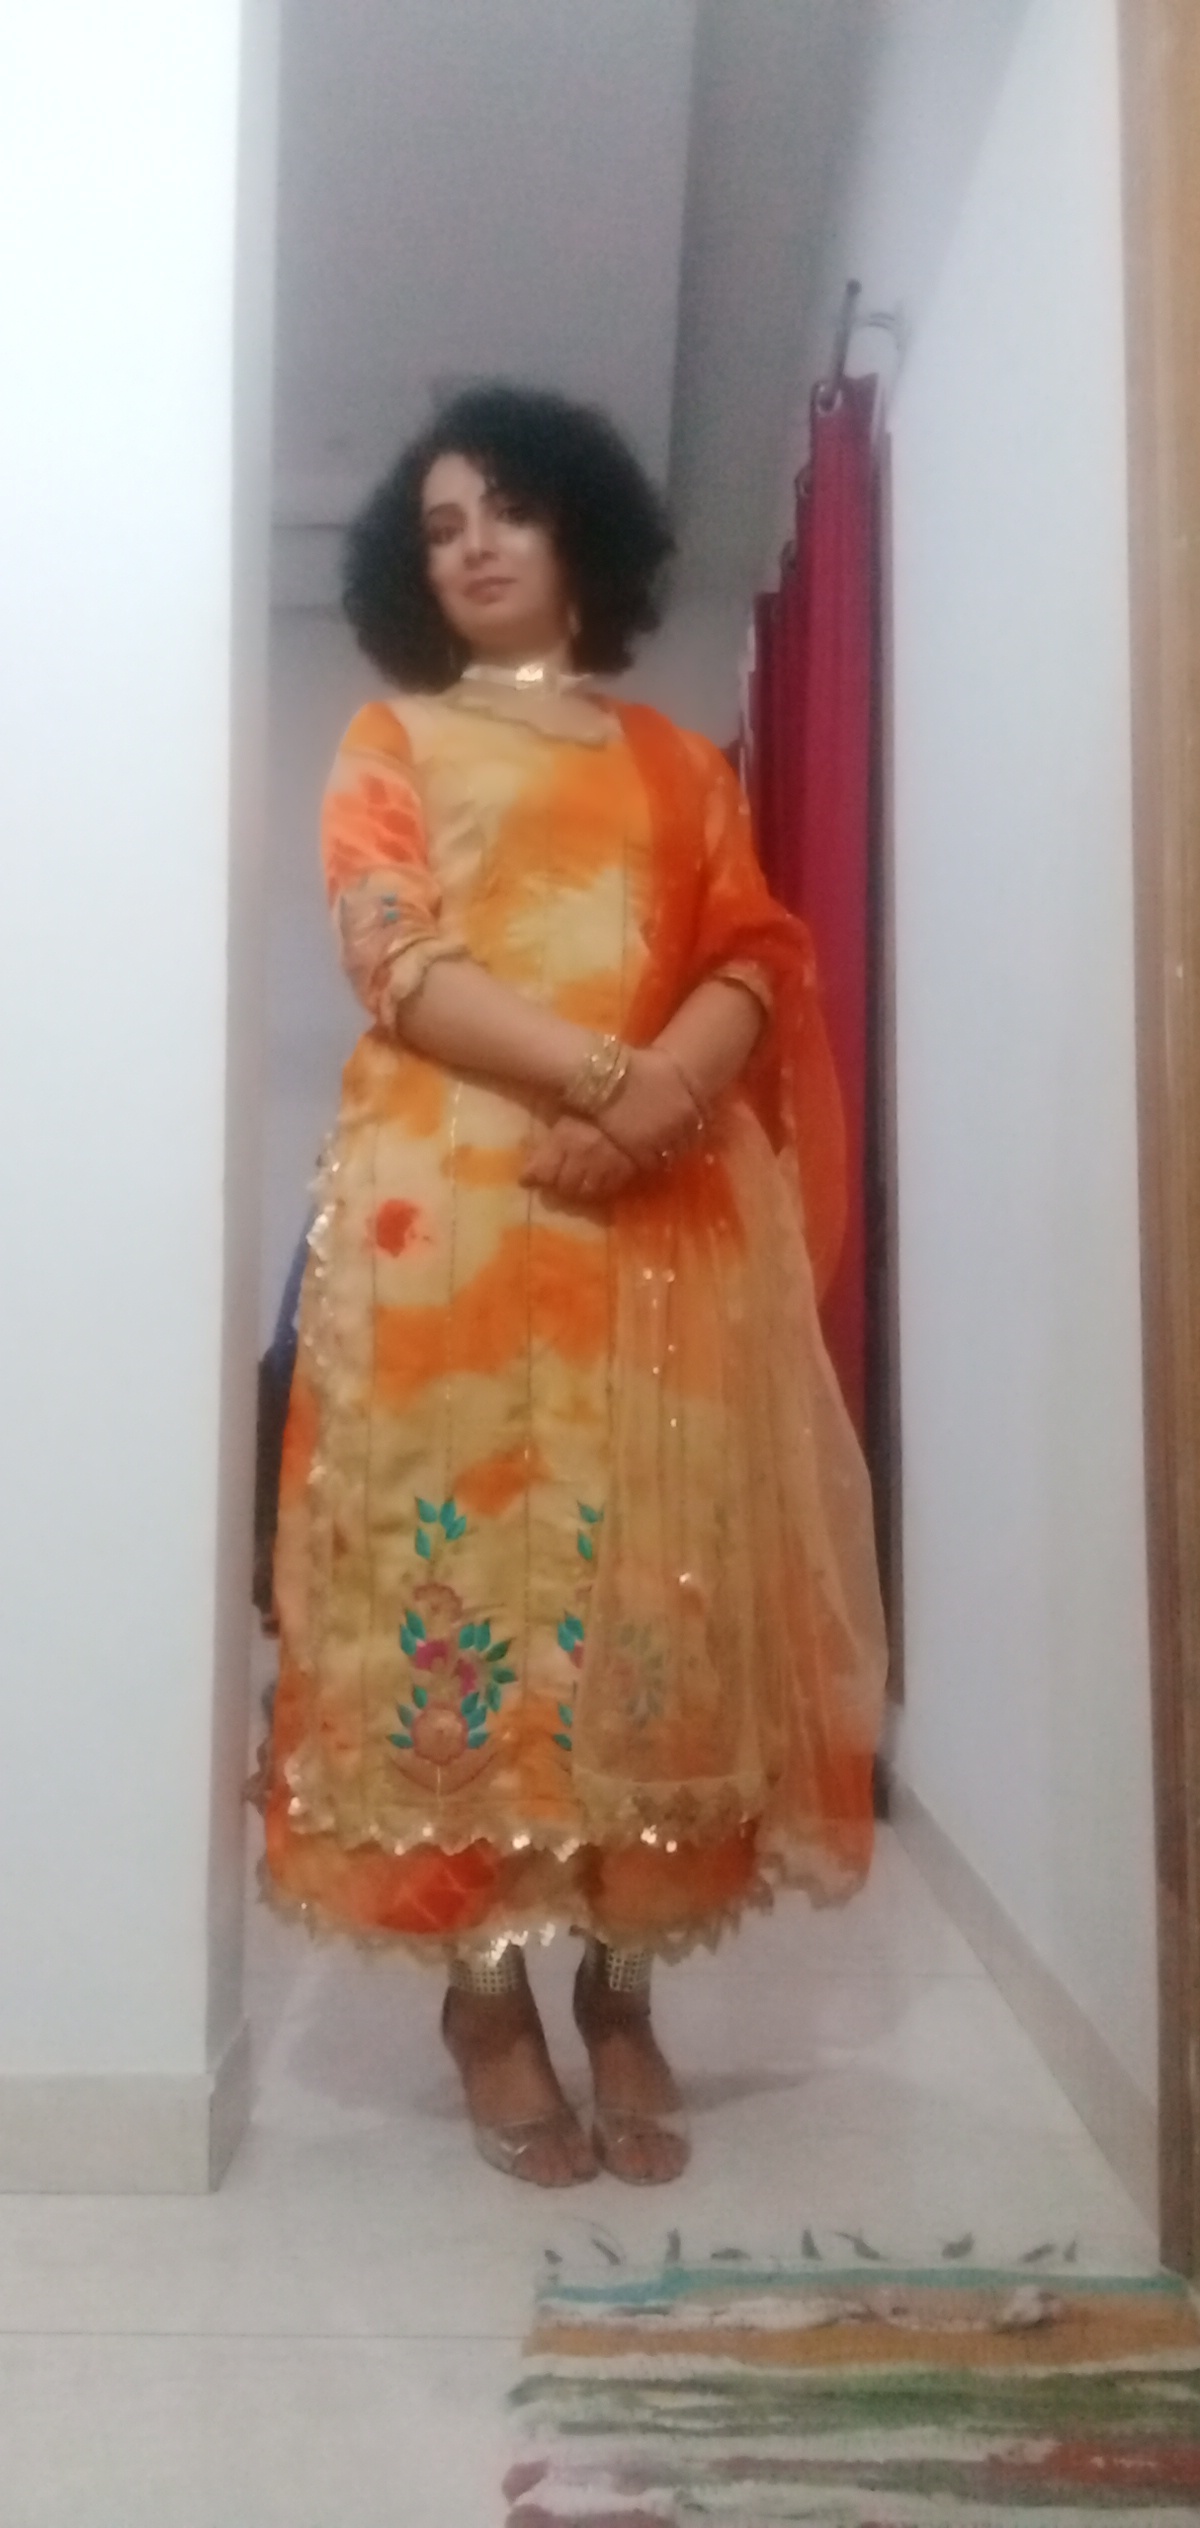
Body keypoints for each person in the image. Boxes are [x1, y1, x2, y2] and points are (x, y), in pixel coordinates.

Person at [258, 383, 887, 2188]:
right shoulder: (393, 740)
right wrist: (612, 1083)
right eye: (441, 523)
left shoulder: (682, 768)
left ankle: (621, 1983)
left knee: (644, 1588)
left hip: (657, 1226)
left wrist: (663, 1101)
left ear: (579, 535)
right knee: (457, 1584)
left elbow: (753, 954)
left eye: (509, 511)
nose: (473, 545)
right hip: (449, 1224)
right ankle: (482, 1994)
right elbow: (396, 958)